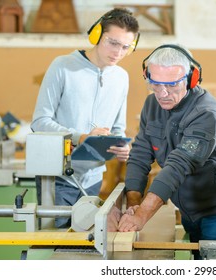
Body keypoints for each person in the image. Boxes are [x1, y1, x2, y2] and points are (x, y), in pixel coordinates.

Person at [117, 44, 216, 260]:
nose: (162, 93)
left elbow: (179, 165)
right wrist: (133, 203)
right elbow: (141, 153)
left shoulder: (207, 113)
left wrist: (142, 215)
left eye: (171, 85)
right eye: (155, 84)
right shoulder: (152, 104)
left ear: (191, 79)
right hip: (189, 209)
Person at [31, 8, 140, 228]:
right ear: (97, 34)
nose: (118, 52)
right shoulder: (62, 66)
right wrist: (81, 137)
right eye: (113, 42)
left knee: (85, 242)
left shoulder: (121, 77)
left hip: (93, 177)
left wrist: (120, 146)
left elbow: (118, 127)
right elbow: (40, 122)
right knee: (56, 245)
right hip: (58, 176)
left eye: (126, 47)